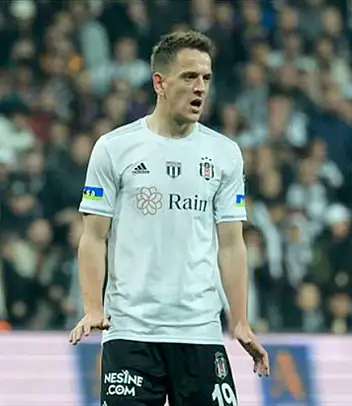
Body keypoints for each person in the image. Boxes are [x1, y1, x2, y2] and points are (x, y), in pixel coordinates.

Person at [68, 31, 270, 406]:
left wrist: (240, 319)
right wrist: (93, 307)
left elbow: (231, 244)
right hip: (130, 331)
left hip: (199, 332)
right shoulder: (114, 148)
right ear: (159, 83)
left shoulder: (225, 154)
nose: (200, 88)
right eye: (189, 77)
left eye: (206, 78)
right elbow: (94, 237)